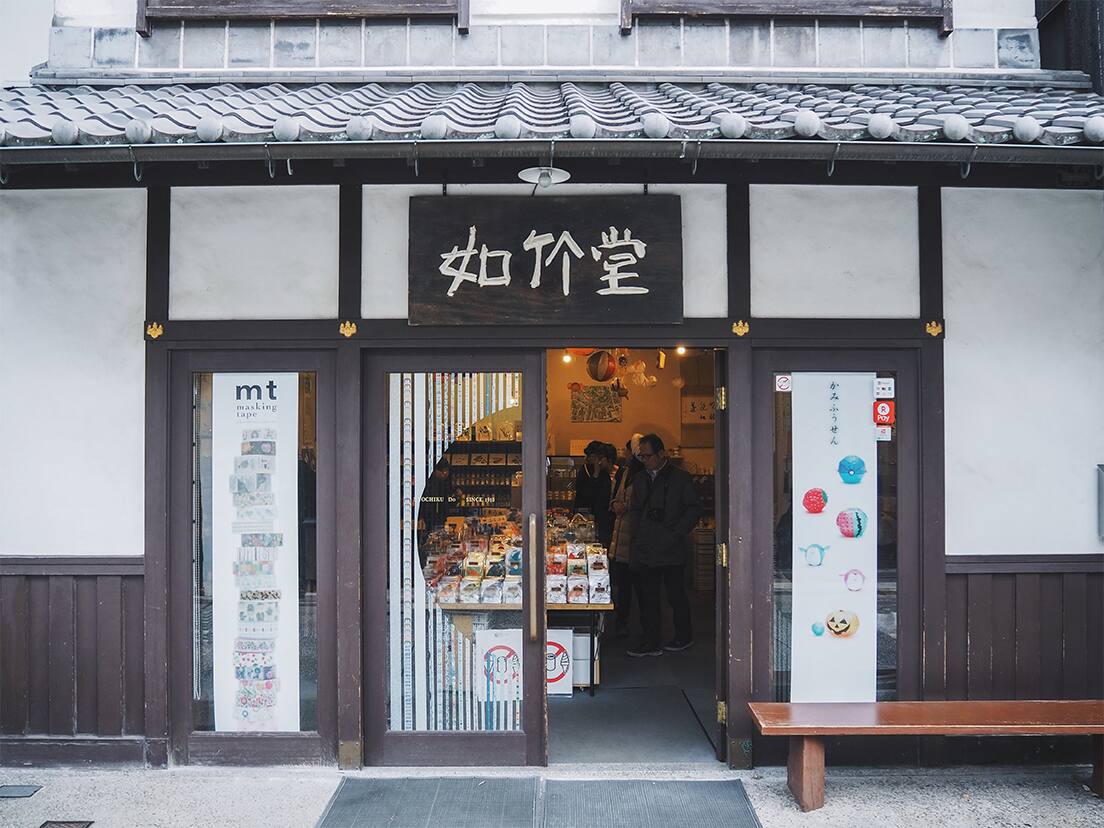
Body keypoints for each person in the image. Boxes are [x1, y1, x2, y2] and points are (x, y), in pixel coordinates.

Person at [626, 433, 702, 657]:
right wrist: (637, 535)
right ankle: (651, 640)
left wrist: (676, 532)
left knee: (676, 595)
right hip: (646, 547)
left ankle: (683, 637)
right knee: (648, 597)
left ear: (661, 454)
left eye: (648, 456)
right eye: (641, 456)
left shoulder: (680, 478)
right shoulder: (640, 479)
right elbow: (635, 510)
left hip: (672, 547)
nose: (644, 460)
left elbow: (694, 509)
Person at [608, 434, 644, 638]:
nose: (626, 454)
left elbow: (644, 503)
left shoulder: (644, 475)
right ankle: (622, 622)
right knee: (622, 586)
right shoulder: (625, 472)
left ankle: (642, 628)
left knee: (639, 586)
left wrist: (626, 506)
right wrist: (615, 504)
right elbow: (614, 497)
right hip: (620, 536)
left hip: (634, 537)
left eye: (629, 450)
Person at [573, 439, 615, 548]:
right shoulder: (585, 470)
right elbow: (584, 494)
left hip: (602, 517)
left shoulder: (604, 473)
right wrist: (595, 475)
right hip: (586, 515)